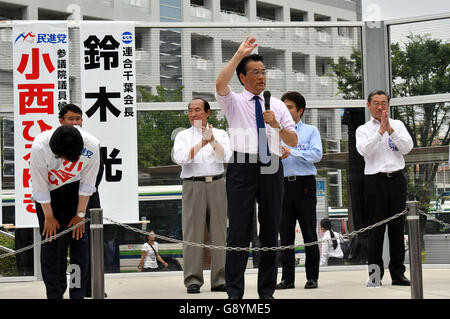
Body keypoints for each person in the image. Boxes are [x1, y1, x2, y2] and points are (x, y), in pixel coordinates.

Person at [215, 37, 298, 299]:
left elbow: (293, 140)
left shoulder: (278, 106)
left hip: (272, 165)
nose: (261, 77)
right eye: (255, 72)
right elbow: (220, 83)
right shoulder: (234, 102)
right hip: (242, 165)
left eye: (263, 72)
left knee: (271, 228)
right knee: (239, 230)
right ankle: (235, 294)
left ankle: (266, 292)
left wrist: (277, 125)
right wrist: (239, 53)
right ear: (243, 77)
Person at [30, 125, 100, 299]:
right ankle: (54, 294)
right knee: (51, 245)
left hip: (76, 194)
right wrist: (48, 216)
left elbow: (88, 185)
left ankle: (77, 294)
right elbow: (39, 186)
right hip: (49, 196)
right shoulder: (39, 146)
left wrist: (80, 215)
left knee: (79, 245)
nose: (65, 162)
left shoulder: (92, 145)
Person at [172, 98, 231, 294]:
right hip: (193, 185)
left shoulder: (221, 134)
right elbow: (180, 158)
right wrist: (201, 143)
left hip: (217, 184)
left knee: (219, 234)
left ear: (207, 113)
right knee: (192, 233)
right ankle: (193, 280)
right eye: (190, 110)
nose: (193, 114)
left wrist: (212, 140)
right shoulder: (183, 135)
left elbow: (228, 157)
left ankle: (220, 279)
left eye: (197, 110)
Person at [356, 90, 413, 287]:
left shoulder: (398, 125)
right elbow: (364, 151)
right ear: (368, 105)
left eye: (383, 103)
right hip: (374, 181)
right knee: (376, 230)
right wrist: (380, 132)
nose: (380, 107)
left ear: (388, 105)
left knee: (397, 229)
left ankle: (398, 274)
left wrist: (391, 131)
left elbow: (407, 148)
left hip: (396, 179)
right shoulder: (363, 129)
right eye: (376, 103)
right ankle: (374, 276)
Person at [276, 91, 322, 290]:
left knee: (309, 232)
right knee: (285, 235)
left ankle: (312, 277)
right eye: (283, 108)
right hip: (281, 186)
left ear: (299, 110)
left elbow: (317, 154)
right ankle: (287, 279)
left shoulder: (310, 131)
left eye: (289, 108)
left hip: (304, 185)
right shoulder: (274, 132)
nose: (285, 111)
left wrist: (292, 151)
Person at [58, 103, 105, 298]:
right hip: (61, 204)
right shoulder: (55, 143)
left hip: (88, 202)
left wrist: (83, 200)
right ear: (61, 121)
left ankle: (88, 287)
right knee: (59, 251)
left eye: (78, 119)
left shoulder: (91, 143)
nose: (75, 123)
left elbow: (97, 173)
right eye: (71, 119)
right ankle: (58, 289)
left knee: (86, 249)